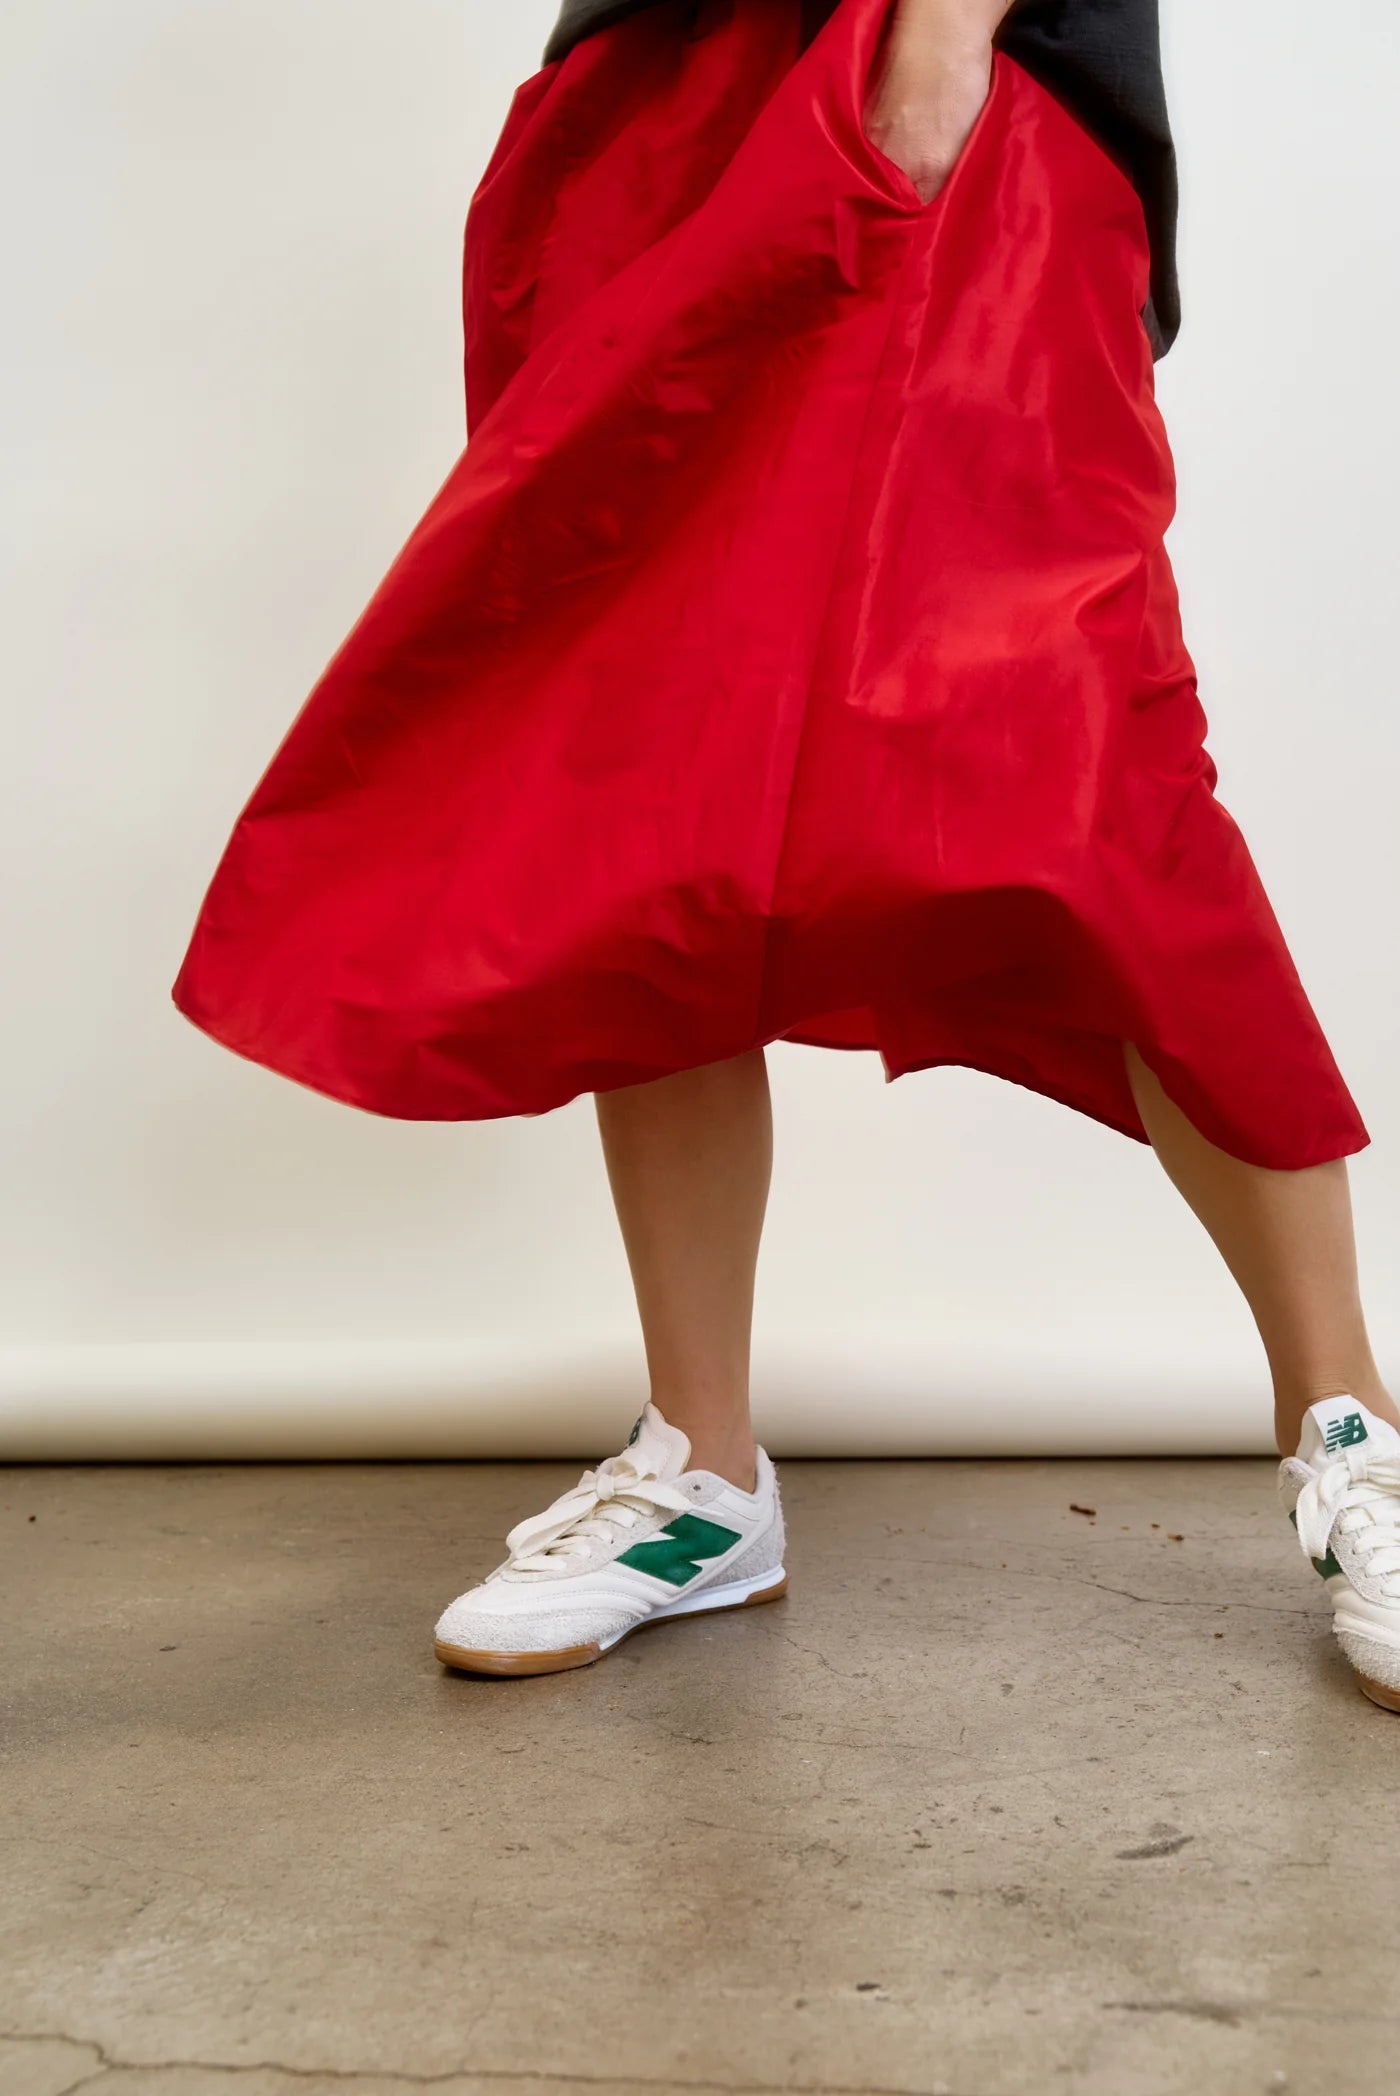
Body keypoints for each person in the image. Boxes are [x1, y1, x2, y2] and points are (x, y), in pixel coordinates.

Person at [171, 0, 1400, 1705]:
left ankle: (1353, 1429)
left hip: (946, 72)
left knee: (1101, 775)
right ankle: (704, 1474)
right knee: (643, 779)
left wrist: (951, 25)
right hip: (651, 93)